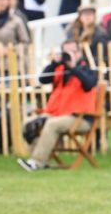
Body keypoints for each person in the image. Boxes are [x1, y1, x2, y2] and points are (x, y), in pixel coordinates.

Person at [17, 40, 99, 171]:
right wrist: (54, 63)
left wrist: (73, 67)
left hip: (80, 118)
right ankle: (36, 160)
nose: (70, 54)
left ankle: (37, 162)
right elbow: (42, 79)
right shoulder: (59, 69)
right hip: (57, 114)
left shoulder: (87, 69)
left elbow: (89, 84)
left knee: (51, 124)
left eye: (73, 51)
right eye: (66, 52)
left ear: (79, 53)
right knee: (28, 123)